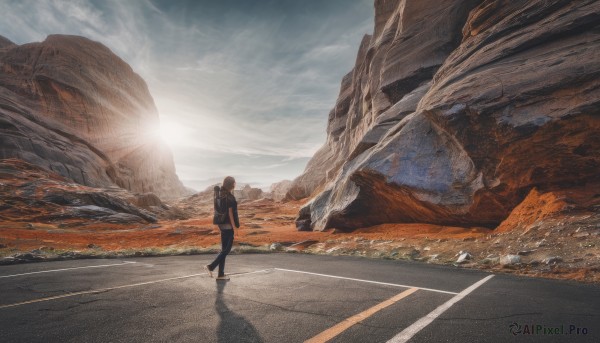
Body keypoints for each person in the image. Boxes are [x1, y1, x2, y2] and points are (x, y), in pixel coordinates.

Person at [205, 176, 239, 281]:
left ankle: (221, 275)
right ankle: (211, 266)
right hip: (228, 225)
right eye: (234, 182)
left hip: (221, 225)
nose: (235, 184)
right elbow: (230, 213)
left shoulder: (220, 194)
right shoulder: (230, 197)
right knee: (226, 250)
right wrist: (235, 228)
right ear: (231, 184)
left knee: (223, 250)